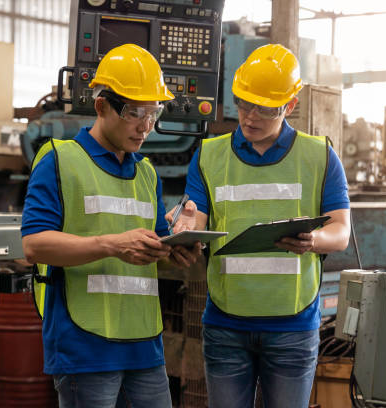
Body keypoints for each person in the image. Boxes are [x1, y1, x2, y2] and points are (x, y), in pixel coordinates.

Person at [169, 43, 351, 408]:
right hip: (226, 325)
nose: (250, 116)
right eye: (243, 103)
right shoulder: (209, 155)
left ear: (291, 105)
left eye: (264, 108)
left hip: (293, 328)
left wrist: (313, 239)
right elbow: (195, 219)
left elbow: (341, 232)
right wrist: (182, 231)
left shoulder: (320, 156)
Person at [22, 43, 201, 408]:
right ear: (102, 105)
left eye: (154, 113)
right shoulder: (59, 159)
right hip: (84, 346)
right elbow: (35, 245)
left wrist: (175, 249)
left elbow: (147, 248)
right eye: (135, 113)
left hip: (144, 345)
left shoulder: (146, 172)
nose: (146, 127)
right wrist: (112, 244)